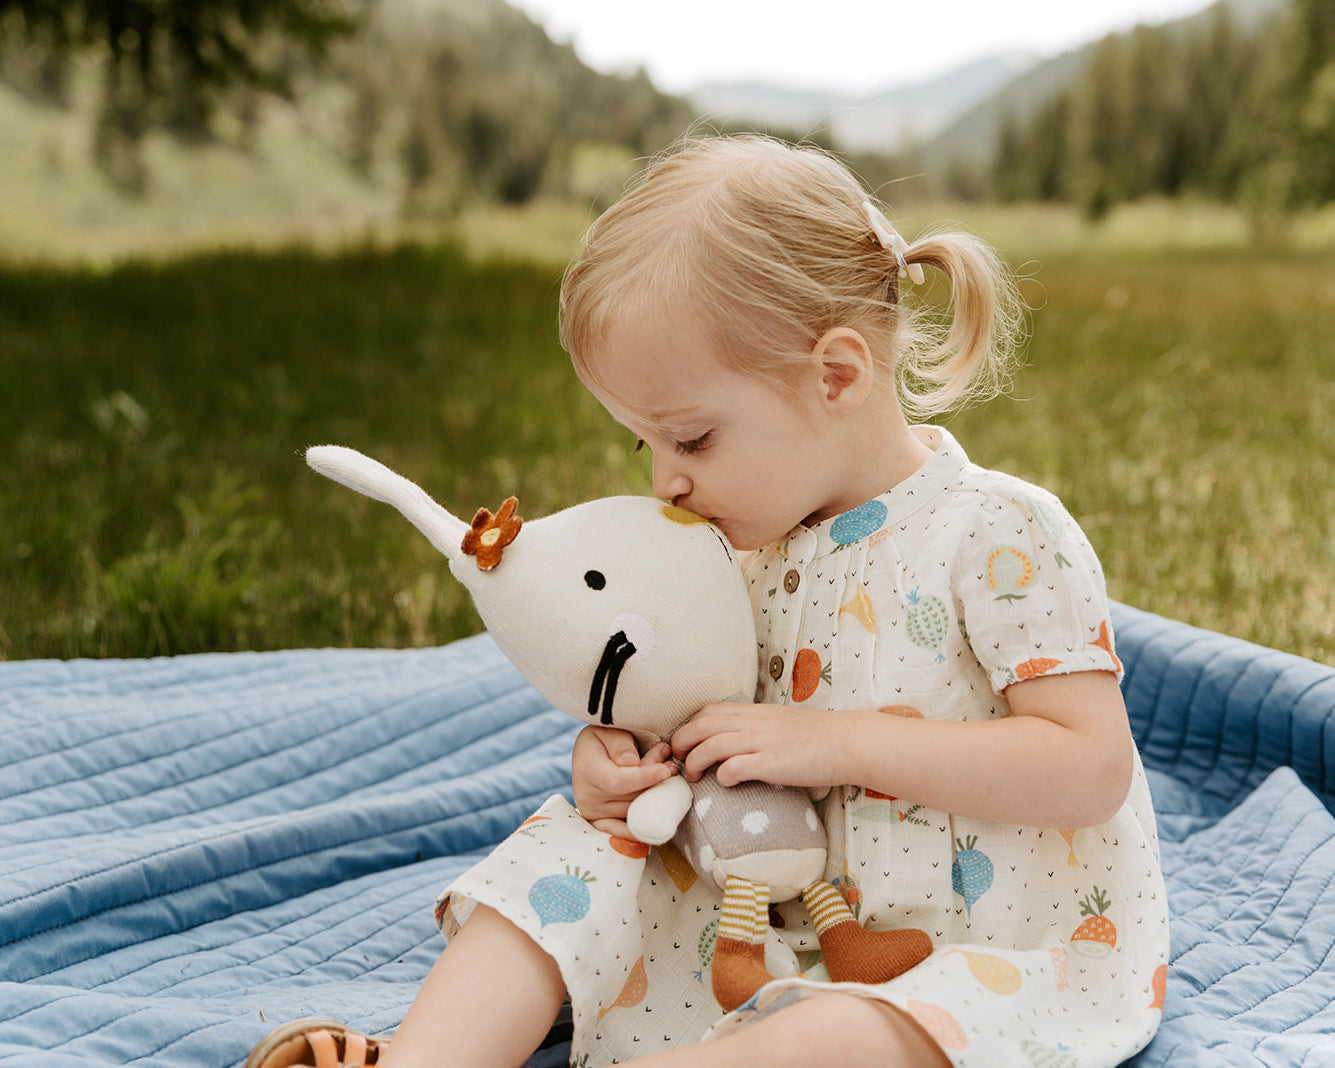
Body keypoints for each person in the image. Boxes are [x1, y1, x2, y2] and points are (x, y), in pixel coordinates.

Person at [246, 135, 1169, 1068]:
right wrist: (619, 771)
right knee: (565, 853)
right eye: (643, 445)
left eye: (690, 438)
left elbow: (1086, 767)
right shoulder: (726, 549)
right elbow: (691, 718)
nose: (666, 482)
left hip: (962, 950)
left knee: (836, 1037)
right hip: (751, 924)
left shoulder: (996, 531)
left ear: (836, 376)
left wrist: (838, 743)